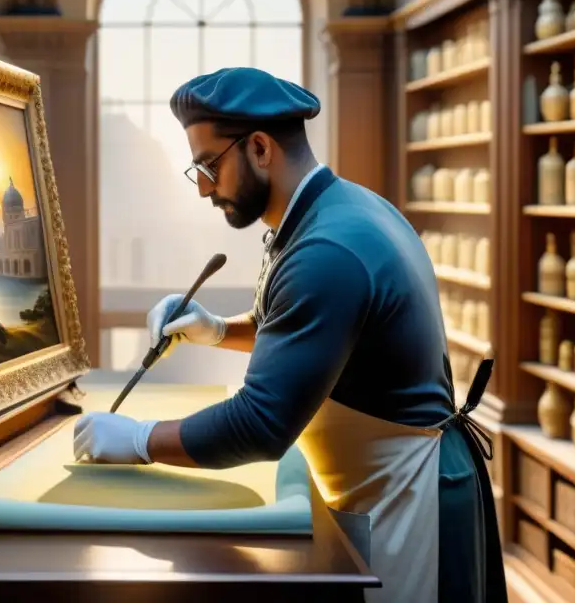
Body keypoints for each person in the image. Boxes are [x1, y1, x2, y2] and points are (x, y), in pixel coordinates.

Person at [73, 66, 506, 602]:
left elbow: (261, 423)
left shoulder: (327, 250)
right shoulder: (328, 211)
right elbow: (305, 331)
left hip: (409, 499)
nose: (204, 189)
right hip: (382, 484)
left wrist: (138, 440)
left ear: (259, 148)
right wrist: (214, 330)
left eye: (209, 166)